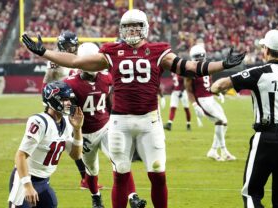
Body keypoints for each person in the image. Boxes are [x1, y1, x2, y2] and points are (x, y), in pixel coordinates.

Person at [21, 9, 245, 208]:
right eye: (127, 27)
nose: (132, 31)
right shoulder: (112, 52)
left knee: (158, 175)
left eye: (136, 26)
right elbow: (75, 62)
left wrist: (223, 65)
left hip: (150, 121)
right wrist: (44, 53)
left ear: (145, 27)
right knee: (120, 175)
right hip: (120, 122)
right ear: (121, 29)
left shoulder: (159, 51)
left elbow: (190, 68)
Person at [210, 29, 278, 207]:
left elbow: (218, 86)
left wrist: (216, 81)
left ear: (266, 50)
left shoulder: (259, 72)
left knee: (251, 193)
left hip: (266, 138)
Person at [63, 42, 145, 208]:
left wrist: (117, 123)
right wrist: (75, 136)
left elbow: (109, 104)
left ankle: (133, 196)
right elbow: (67, 114)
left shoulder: (107, 78)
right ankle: (96, 197)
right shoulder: (70, 83)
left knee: (121, 161)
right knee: (91, 170)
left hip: (105, 128)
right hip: (85, 133)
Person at [8, 81, 84, 208]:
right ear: (52, 100)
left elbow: (76, 155)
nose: (69, 103)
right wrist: (27, 186)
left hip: (44, 181)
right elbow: (20, 156)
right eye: (65, 99)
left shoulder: (66, 122)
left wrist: (77, 129)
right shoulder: (40, 122)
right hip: (26, 179)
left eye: (69, 99)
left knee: (51, 203)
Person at [42, 30, 94, 190]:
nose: (69, 49)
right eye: (65, 46)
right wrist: (48, 103)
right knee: (61, 142)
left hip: (74, 103)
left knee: (76, 142)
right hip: (59, 105)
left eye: (71, 46)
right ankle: (42, 176)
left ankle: (86, 179)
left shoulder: (80, 57)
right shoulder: (55, 61)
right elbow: (46, 83)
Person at [185, 44, 236, 161]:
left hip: (210, 99)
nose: (200, 60)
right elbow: (189, 91)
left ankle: (213, 151)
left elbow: (209, 86)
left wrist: (218, 93)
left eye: (201, 57)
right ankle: (224, 151)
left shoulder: (208, 68)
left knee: (224, 124)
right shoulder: (189, 71)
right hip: (202, 101)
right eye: (197, 58)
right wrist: (195, 105)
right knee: (220, 122)